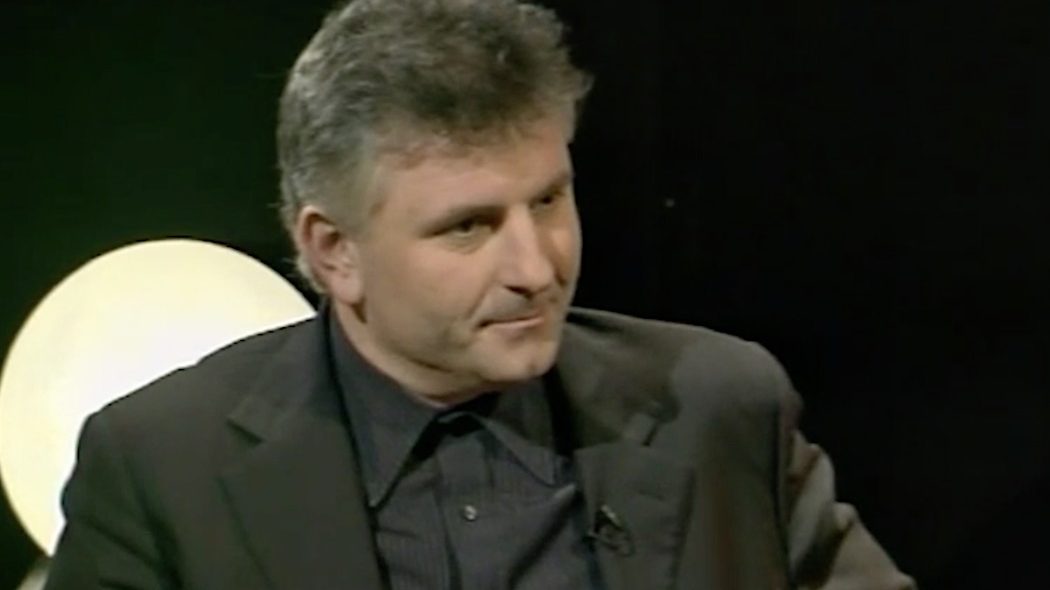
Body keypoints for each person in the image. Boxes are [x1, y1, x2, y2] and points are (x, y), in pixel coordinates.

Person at [45, 0, 915, 588]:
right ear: (334, 251)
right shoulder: (163, 472)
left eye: (549, 200)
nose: (537, 266)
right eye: (468, 226)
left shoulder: (719, 407)